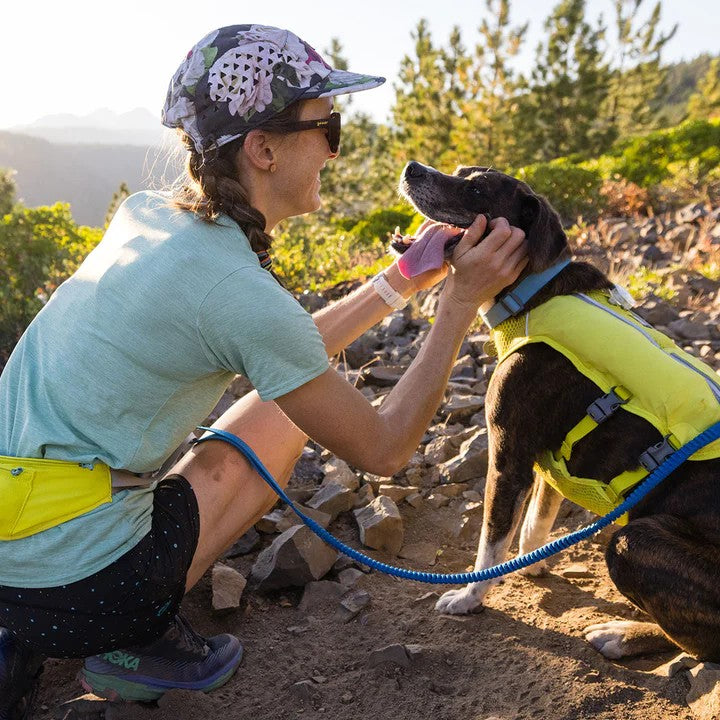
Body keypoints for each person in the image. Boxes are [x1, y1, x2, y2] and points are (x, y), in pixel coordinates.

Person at [0, 23, 527, 716]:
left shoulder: (147, 217)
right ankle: (134, 638)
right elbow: (385, 448)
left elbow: (284, 346)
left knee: (283, 393)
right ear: (263, 148)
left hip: (15, 539)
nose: (336, 148)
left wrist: (399, 281)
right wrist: (461, 300)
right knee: (281, 420)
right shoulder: (238, 293)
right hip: (82, 583)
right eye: (328, 127)